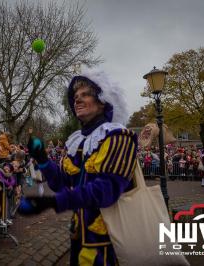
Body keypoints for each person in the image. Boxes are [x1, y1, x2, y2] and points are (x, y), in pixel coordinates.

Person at [19, 70, 138, 265]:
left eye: (85, 95)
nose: (78, 100)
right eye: (75, 97)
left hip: (107, 241)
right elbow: (61, 183)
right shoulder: (78, 141)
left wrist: (53, 203)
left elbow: (106, 191)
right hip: (78, 235)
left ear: (102, 101)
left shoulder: (118, 136)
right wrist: (42, 160)